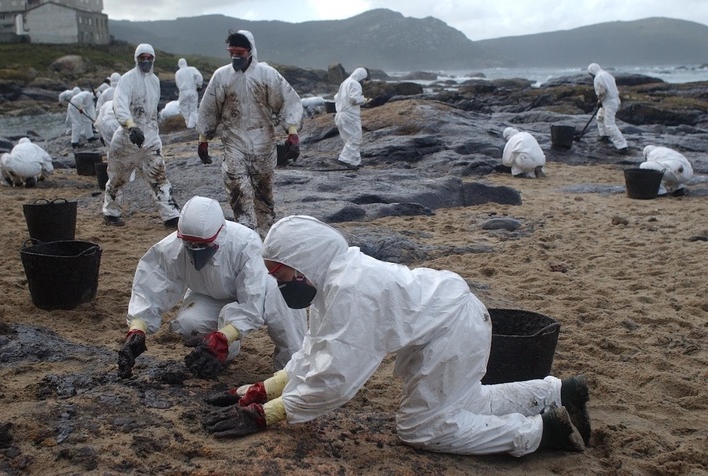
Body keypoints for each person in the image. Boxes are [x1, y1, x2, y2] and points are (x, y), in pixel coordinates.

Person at [201, 215, 592, 457]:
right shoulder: (332, 281)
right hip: (451, 321)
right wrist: (255, 391)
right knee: (466, 402)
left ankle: (541, 433)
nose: (278, 284)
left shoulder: (351, 291)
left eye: (280, 275)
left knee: (421, 428)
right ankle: (556, 393)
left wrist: (267, 415)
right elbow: (314, 353)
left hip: (451, 331)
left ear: (303, 264)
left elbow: (335, 378)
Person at [117, 196, 307, 380]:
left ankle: (292, 370)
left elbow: (252, 303)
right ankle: (222, 353)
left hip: (262, 292)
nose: (196, 250)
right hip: (210, 295)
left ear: (220, 233)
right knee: (187, 325)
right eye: (190, 244)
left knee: (282, 298)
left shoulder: (245, 243)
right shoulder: (171, 247)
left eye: (203, 245)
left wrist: (226, 335)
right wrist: (137, 329)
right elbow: (150, 285)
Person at [197, 30, 303, 240]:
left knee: (264, 195)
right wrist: (203, 139)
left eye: (240, 52)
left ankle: (265, 238)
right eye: (232, 52)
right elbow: (209, 108)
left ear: (250, 51)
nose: (236, 57)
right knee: (238, 191)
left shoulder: (267, 75)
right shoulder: (222, 76)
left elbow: (287, 101)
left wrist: (292, 133)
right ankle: (246, 236)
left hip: (264, 143)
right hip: (234, 143)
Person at [103, 43, 180, 228]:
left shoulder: (154, 81)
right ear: (136, 59)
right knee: (117, 178)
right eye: (142, 58)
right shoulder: (127, 80)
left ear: (153, 59)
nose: (145, 61)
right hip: (127, 140)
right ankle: (111, 213)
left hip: (151, 139)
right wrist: (130, 126)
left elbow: (151, 110)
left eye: (149, 58)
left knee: (159, 177)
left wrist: (150, 130)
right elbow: (119, 104)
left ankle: (170, 215)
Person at [587, 63, 628, 154]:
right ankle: (604, 136)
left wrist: (599, 101)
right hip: (614, 99)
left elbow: (601, 92)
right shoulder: (607, 74)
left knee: (609, 124)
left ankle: (622, 146)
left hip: (608, 102)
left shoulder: (598, 77)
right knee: (600, 117)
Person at [334, 67, 370, 169]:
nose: (364, 81)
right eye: (364, 79)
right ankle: (344, 159)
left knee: (348, 140)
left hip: (340, 115)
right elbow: (354, 100)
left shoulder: (344, 83)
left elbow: (336, 97)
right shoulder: (355, 84)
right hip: (350, 115)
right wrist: (364, 100)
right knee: (355, 138)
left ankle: (355, 162)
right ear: (361, 76)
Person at [175, 58, 204, 129]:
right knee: (193, 108)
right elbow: (199, 76)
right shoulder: (192, 69)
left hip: (183, 92)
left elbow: (178, 83)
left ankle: (189, 124)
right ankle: (195, 123)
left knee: (184, 108)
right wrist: (199, 84)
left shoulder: (178, 73)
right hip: (193, 91)